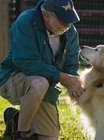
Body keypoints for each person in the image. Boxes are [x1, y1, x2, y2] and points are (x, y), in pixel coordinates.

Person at [0, 0, 85, 139]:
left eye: (70, 19)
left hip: (46, 88)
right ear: (46, 16)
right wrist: (64, 78)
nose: (69, 25)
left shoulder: (70, 32)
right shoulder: (25, 22)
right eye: (63, 20)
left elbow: (71, 66)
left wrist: (74, 85)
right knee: (40, 83)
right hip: (13, 78)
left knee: (49, 138)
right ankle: (22, 134)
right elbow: (27, 63)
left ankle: (15, 119)